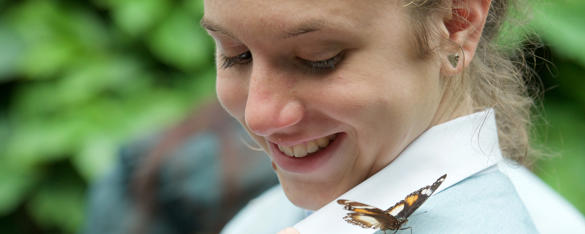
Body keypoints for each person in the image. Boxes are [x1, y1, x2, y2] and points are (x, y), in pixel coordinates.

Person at [200, 0, 585, 233]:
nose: (259, 115)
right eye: (236, 54)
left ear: (456, 23)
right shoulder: (264, 219)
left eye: (319, 58)